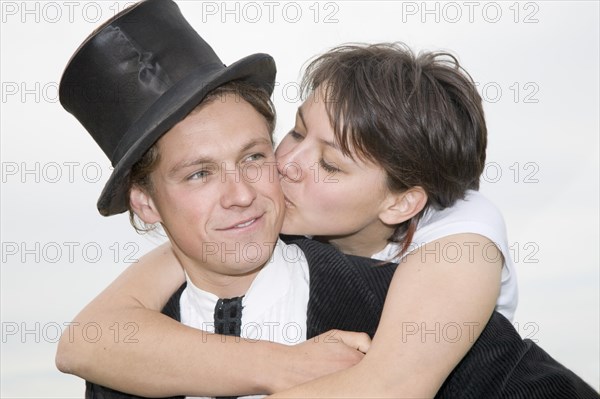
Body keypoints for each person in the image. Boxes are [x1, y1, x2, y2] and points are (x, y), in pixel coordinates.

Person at [57, 1, 598, 398]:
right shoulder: (259, 223)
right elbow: (87, 340)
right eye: (294, 133)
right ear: (147, 203)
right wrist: (283, 365)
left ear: (402, 203)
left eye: (331, 164)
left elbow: (393, 386)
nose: (286, 166)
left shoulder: (460, 236)